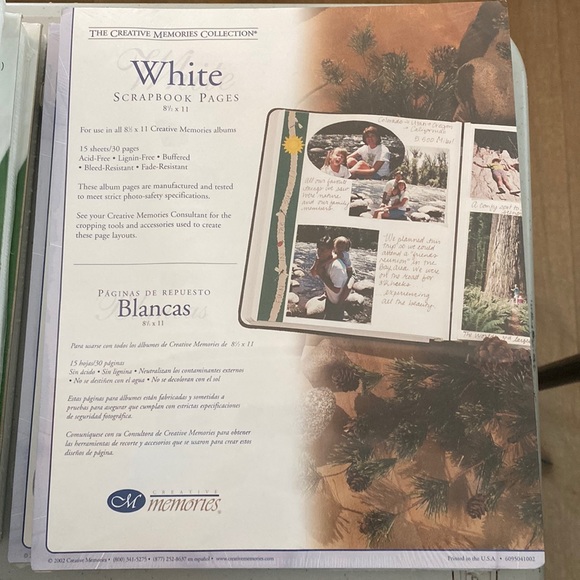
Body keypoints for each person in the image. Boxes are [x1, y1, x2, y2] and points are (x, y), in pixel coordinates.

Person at [310, 235, 349, 321]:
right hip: (330, 299)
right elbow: (313, 273)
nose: (319, 252)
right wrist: (317, 262)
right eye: (318, 249)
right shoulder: (322, 258)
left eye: (323, 250)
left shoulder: (337, 267)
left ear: (331, 249)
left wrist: (321, 275)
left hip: (337, 304)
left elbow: (337, 289)